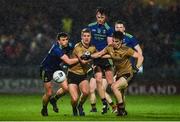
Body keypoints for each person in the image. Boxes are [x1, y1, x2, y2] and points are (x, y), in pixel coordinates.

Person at [90, 31, 144, 116]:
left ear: (121, 41)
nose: (114, 43)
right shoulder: (109, 47)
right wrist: (88, 56)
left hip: (128, 73)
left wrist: (136, 68)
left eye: (117, 41)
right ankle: (122, 110)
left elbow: (140, 57)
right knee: (119, 93)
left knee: (114, 87)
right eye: (113, 41)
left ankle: (121, 109)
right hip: (118, 74)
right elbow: (99, 54)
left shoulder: (127, 49)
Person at [40, 32, 78, 116]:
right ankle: (44, 108)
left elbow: (77, 47)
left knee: (66, 88)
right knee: (49, 93)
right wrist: (81, 58)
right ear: (58, 41)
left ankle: (54, 100)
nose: (65, 42)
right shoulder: (56, 49)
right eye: (63, 40)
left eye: (66, 39)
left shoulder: (69, 45)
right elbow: (68, 61)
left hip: (56, 68)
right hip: (46, 69)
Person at [87, 7, 115, 114]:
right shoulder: (90, 27)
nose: (100, 19)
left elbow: (109, 45)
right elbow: (87, 40)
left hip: (104, 58)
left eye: (102, 17)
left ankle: (118, 105)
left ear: (105, 17)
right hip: (95, 59)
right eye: (98, 17)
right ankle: (104, 104)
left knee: (111, 83)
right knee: (97, 81)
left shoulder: (109, 29)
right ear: (96, 16)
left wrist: (100, 53)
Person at [67, 28, 96, 116]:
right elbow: (83, 61)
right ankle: (74, 108)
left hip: (83, 75)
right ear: (81, 37)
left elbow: (98, 55)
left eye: (88, 36)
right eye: (84, 36)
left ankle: (80, 106)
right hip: (72, 74)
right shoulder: (78, 47)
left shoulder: (92, 47)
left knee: (86, 92)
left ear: (91, 37)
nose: (86, 38)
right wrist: (91, 60)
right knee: (74, 99)